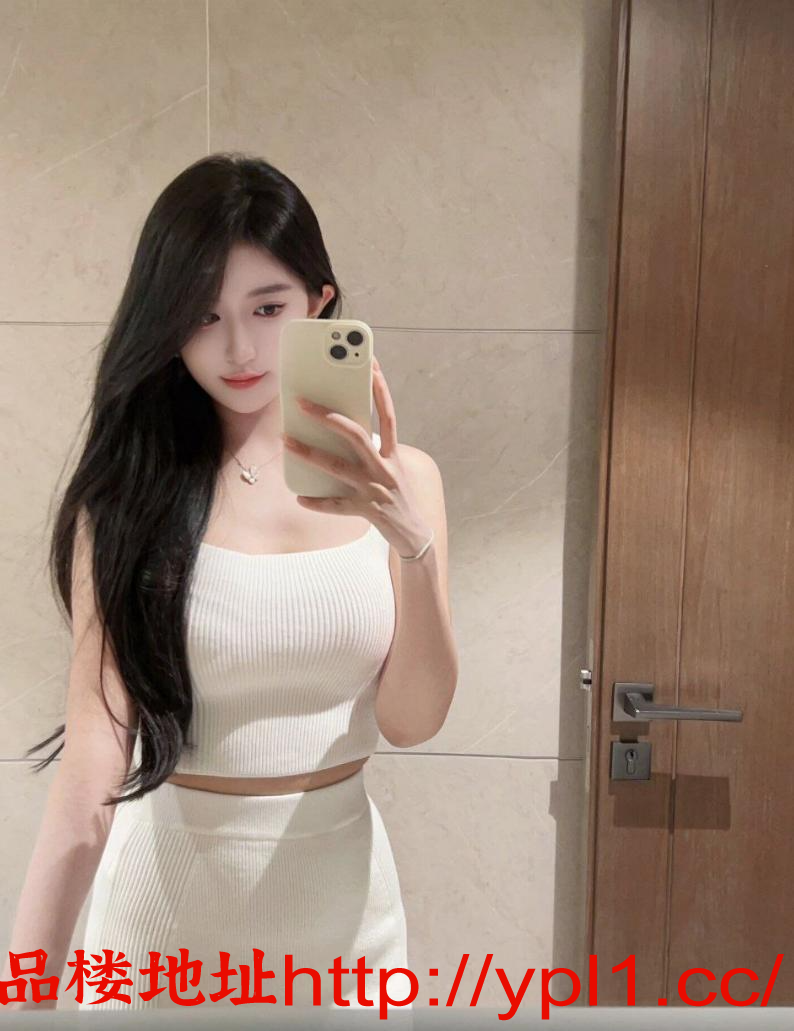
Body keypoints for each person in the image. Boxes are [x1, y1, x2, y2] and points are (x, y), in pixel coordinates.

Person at [2, 153, 458, 1014]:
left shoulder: (409, 482)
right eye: (203, 315)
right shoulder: (128, 498)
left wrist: (413, 544)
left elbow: (413, 718)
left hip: (345, 931)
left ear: (319, 301)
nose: (239, 348)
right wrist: (21, 998)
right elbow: (90, 773)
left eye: (268, 308)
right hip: (157, 932)